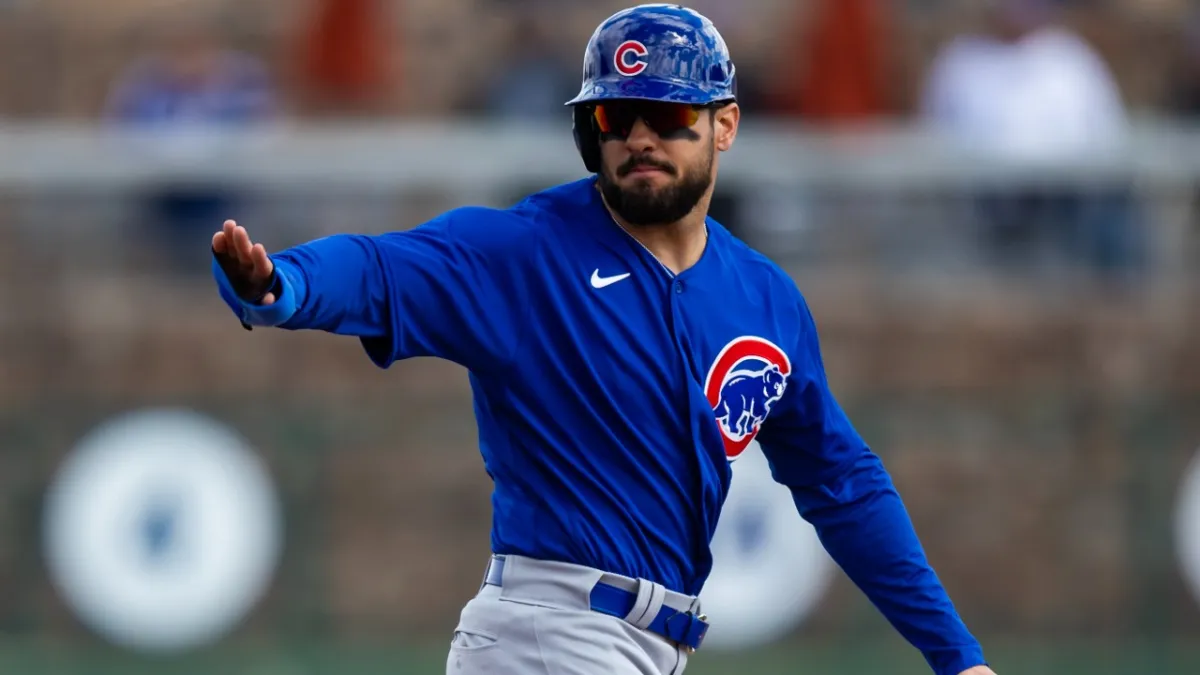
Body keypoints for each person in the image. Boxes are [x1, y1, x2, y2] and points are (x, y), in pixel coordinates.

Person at [210, 5, 996, 675]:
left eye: (669, 116)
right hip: (551, 638)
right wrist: (280, 285)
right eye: (617, 116)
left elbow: (844, 484)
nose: (640, 137)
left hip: (646, 647)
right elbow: (382, 269)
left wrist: (957, 656)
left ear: (725, 125)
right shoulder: (529, 253)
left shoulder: (765, 299)